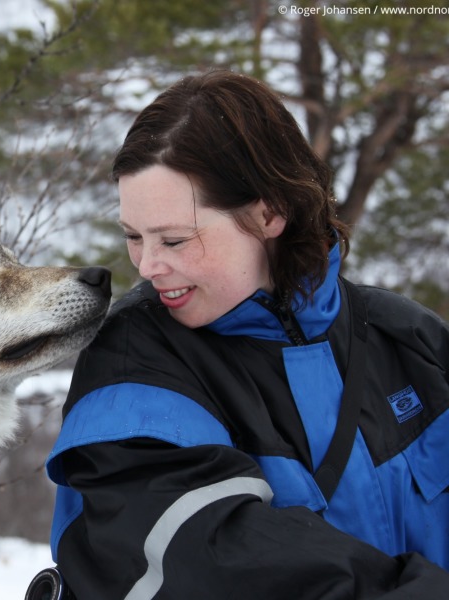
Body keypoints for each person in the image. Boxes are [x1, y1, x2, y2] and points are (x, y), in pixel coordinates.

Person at [37, 70, 449, 599]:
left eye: (176, 240)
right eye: (135, 237)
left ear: (269, 212)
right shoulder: (133, 366)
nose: (147, 266)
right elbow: (212, 564)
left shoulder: (409, 339)